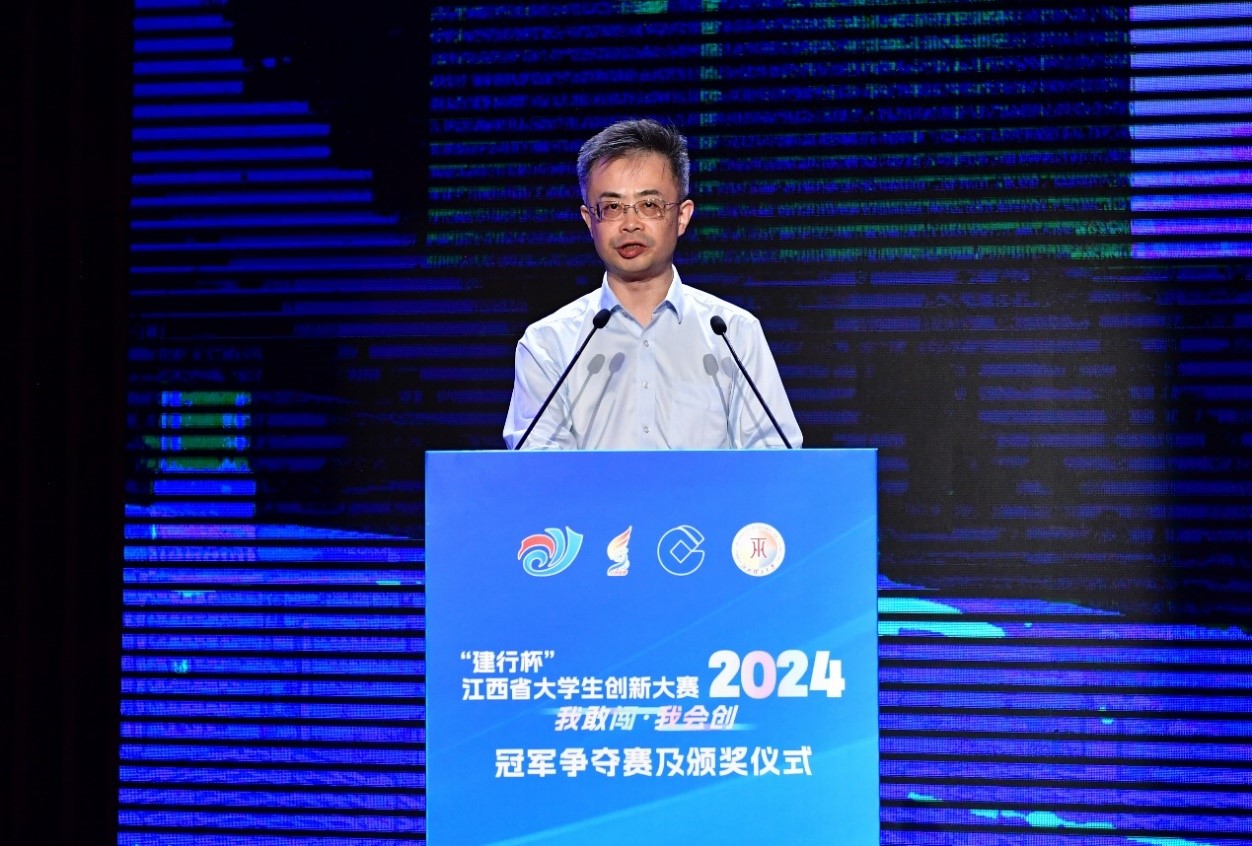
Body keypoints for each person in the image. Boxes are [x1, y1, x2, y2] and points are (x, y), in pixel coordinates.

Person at [503, 118, 802, 450]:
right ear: (590, 220)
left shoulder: (734, 334)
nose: (630, 224)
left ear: (682, 216)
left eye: (649, 205)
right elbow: (538, 468)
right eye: (612, 207)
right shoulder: (548, 344)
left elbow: (774, 460)